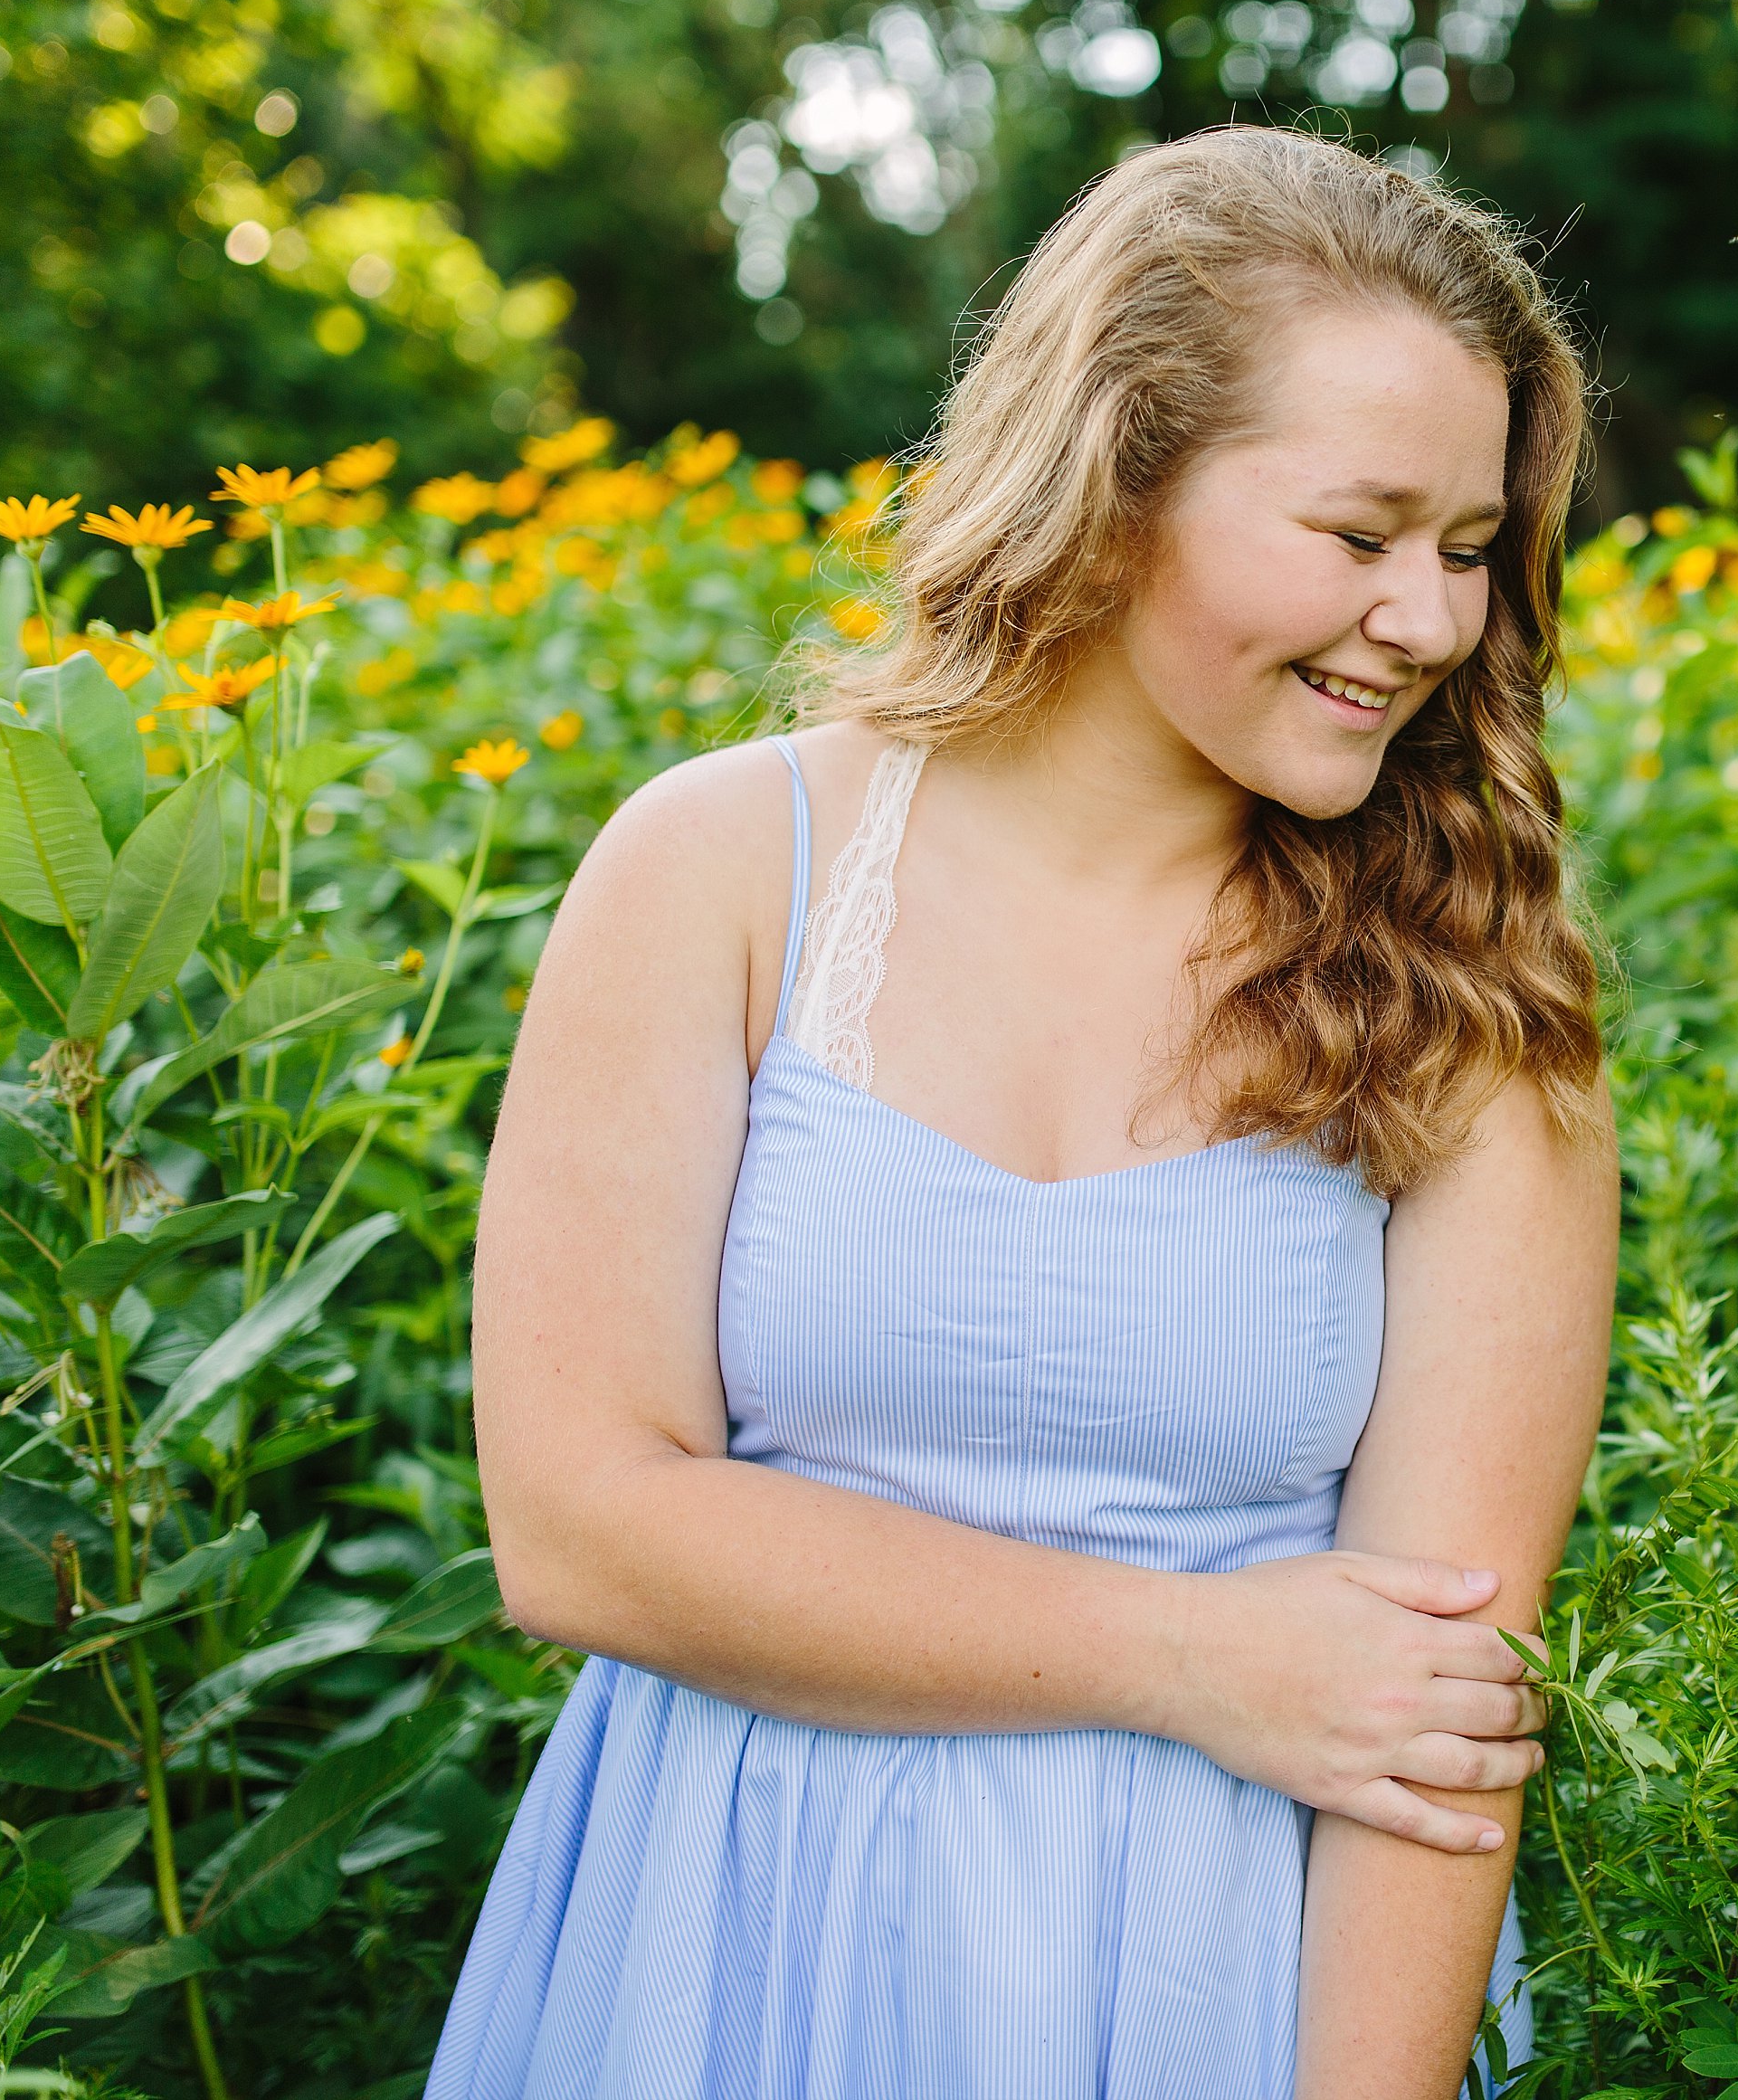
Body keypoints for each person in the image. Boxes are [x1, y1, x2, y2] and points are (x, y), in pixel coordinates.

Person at [425, 127, 1618, 2099]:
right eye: (1358, 533)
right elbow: (578, 1531)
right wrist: (1197, 1655)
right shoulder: (722, 875)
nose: (1427, 620)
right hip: (724, 1956)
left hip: (1213, 1993)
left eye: (1472, 548)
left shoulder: (1475, 1011)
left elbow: (1435, 1720)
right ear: (1117, 478)